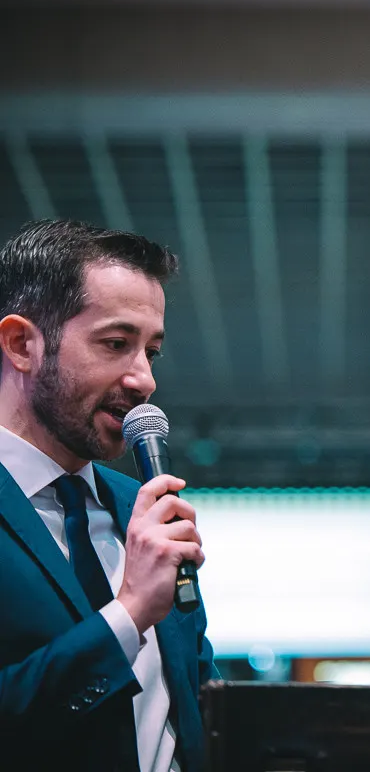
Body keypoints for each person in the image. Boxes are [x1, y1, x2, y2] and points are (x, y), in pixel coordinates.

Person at [0, 219, 213, 771]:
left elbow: (196, 700)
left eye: (151, 352)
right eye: (117, 344)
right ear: (22, 344)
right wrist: (130, 611)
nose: (144, 380)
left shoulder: (139, 505)